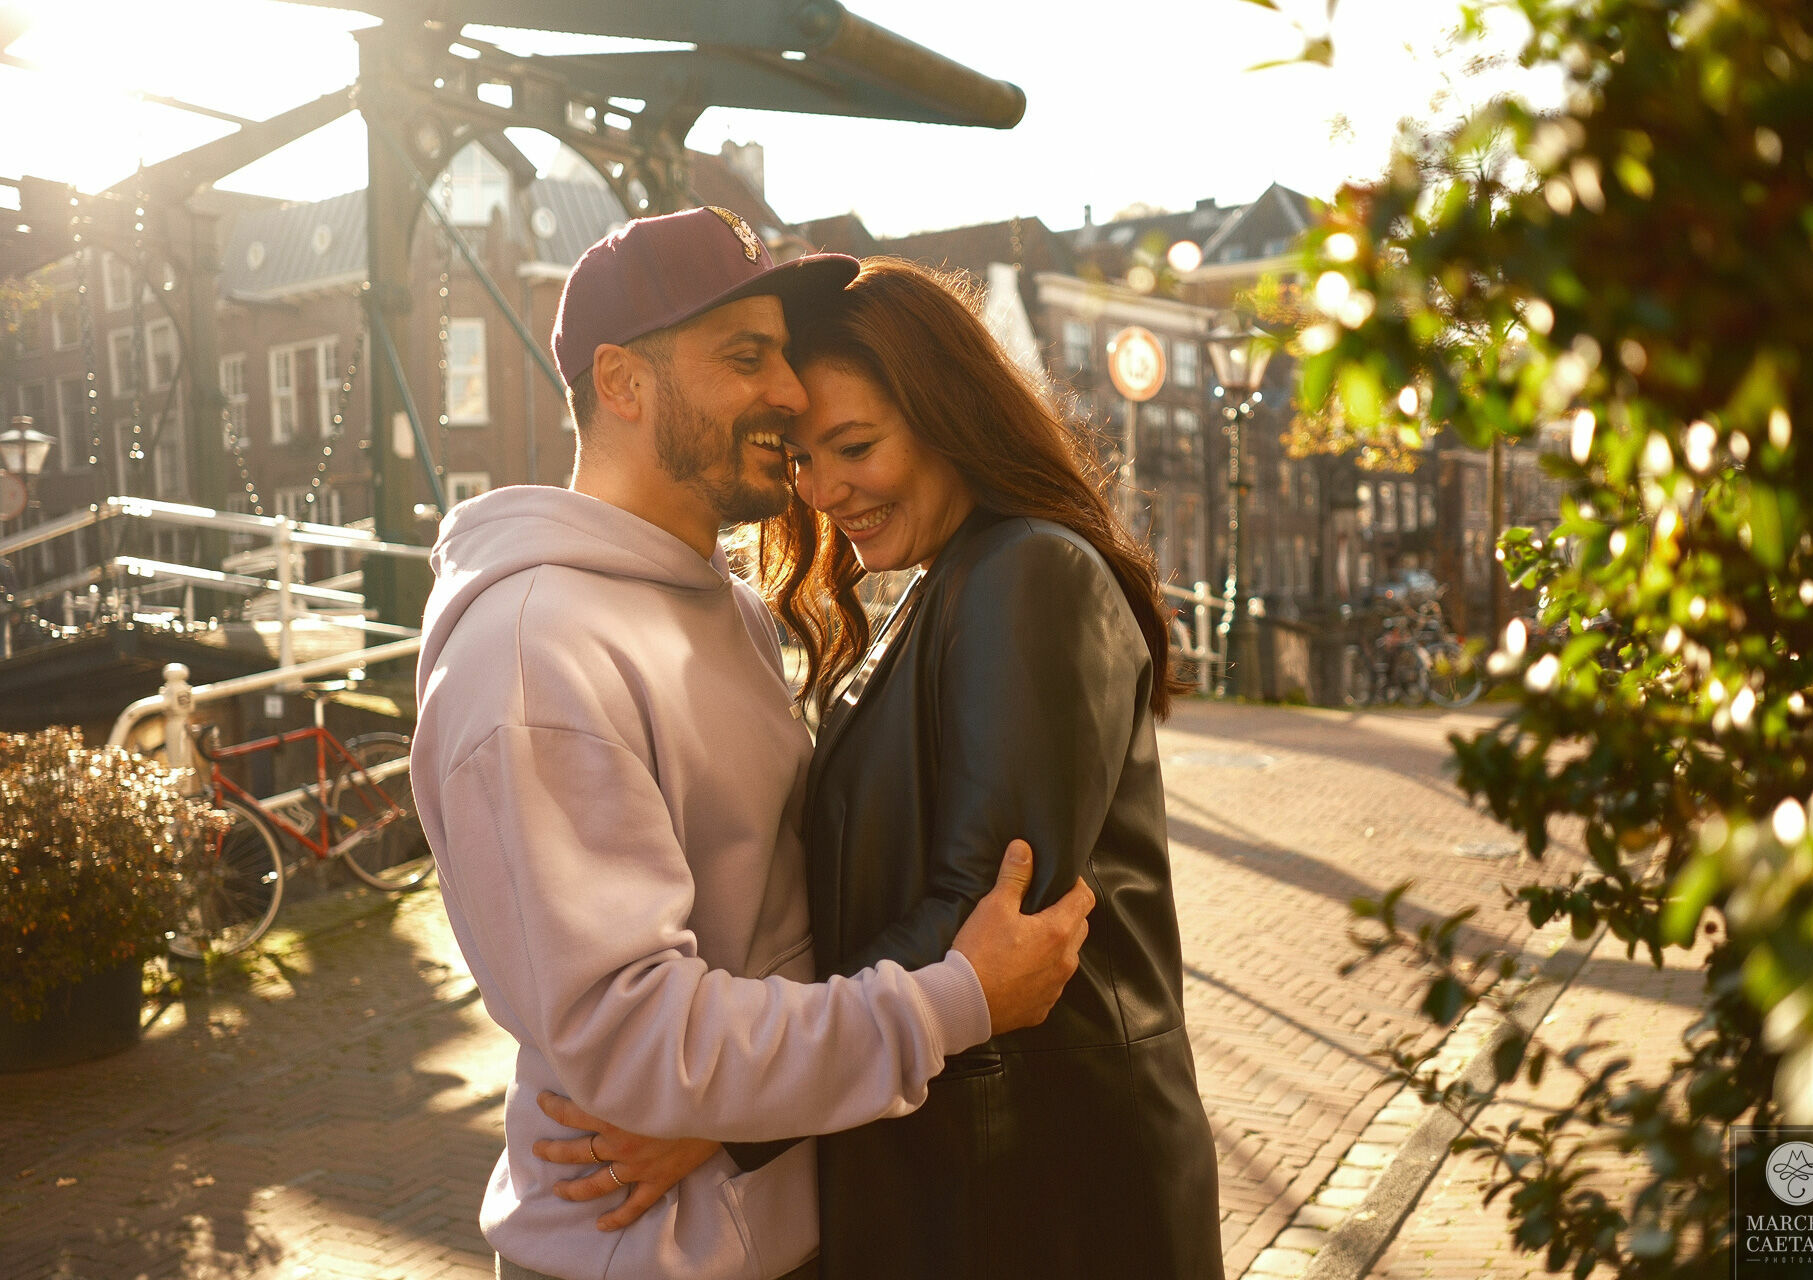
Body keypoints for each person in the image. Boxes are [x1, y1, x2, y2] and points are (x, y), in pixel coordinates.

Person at [410, 211, 1095, 1280]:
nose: (789, 387)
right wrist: (953, 999)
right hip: (645, 1256)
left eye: (782, 350)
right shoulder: (532, 651)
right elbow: (641, 1040)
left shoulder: (724, 611)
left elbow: (770, 931)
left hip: (777, 1224)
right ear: (623, 382)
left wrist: (735, 1122)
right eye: (745, 355)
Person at [541, 258, 1224, 1278]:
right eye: (804, 459)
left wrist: (732, 1111)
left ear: (953, 417)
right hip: (974, 1161)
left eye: (856, 446)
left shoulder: (1027, 571)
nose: (823, 491)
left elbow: (988, 907)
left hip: (1045, 1188)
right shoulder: (945, 587)